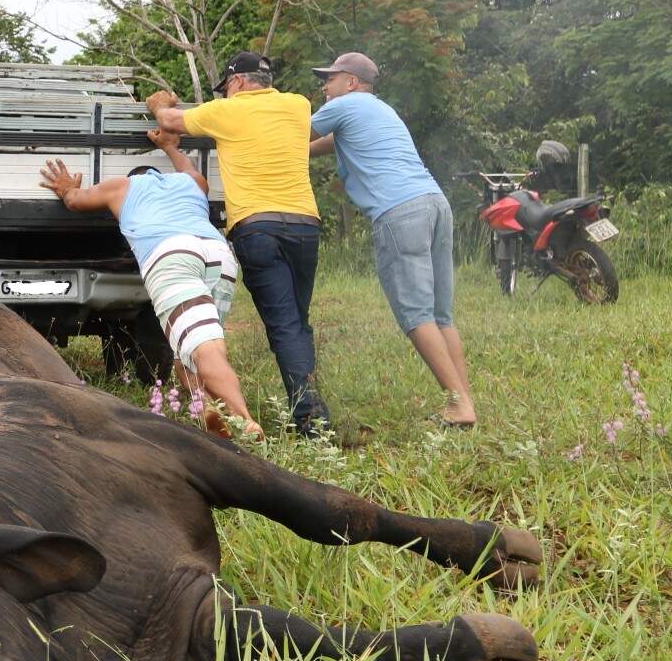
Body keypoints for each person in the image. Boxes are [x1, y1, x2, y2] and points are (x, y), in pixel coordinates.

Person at [147, 51, 332, 437]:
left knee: (284, 324)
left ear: (237, 82)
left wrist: (161, 102)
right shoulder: (298, 105)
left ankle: (311, 420)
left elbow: (168, 120)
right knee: (296, 321)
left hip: (257, 227)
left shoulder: (223, 111)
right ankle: (311, 407)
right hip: (305, 226)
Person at [38, 130, 260, 439]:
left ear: (135, 176)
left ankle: (242, 419)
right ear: (159, 175)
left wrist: (66, 188)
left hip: (173, 255)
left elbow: (76, 201)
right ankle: (212, 411)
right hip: (218, 256)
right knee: (190, 354)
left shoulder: (122, 186)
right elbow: (187, 166)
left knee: (201, 347)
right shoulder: (191, 183)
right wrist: (170, 147)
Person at [307, 51, 476, 428]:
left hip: (399, 212)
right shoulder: (378, 110)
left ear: (351, 82)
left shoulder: (344, 105)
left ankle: (459, 405)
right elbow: (323, 144)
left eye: (330, 78)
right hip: (434, 204)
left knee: (416, 316)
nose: (325, 85)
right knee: (441, 315)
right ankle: (464, 402)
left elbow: (296, 134)